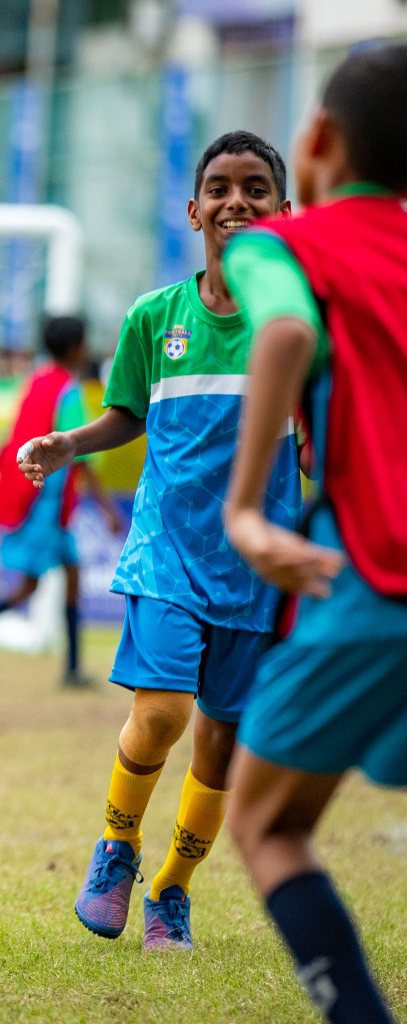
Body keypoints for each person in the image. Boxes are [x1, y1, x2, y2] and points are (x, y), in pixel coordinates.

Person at [19, 130, 300, 950]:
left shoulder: (298, 326)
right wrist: (69, 443)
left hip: (257, 562)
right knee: (163, 713)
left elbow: (325, 429)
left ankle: (171, 891)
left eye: (255, 189)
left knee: (221, 738)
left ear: (284, 213)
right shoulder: (155, 317)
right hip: (167, 550)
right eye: (219, 187)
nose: (236, 202)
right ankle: (116, 848)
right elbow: (127, 414)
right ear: (194, 209)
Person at [221, 44, 407, 1024]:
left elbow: (285, 334)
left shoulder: (281, 245)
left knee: (266, 821)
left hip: (375, 581)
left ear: (317, 139)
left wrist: (245, 508)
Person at [0, 316, 120, 688]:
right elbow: (81, 455)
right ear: (77, 347)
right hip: (48, 505)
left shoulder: (36, 381)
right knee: (28, 588)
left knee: (72, 576)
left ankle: (73, 669)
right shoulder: (69, 391)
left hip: (39, 501)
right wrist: (108, 510)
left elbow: (12, 436)